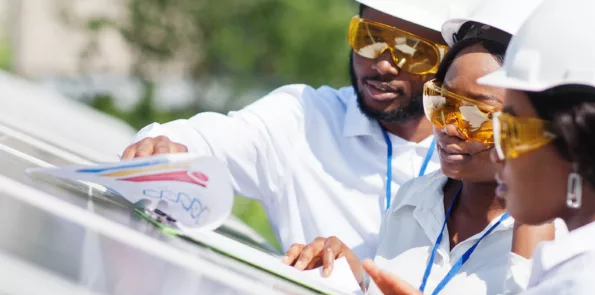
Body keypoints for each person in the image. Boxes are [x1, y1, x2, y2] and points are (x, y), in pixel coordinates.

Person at [372, 0, 595, 295]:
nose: (498, 152)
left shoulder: (584, 292)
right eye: (444, 102)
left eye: (508, 129)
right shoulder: (575, 272)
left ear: (573, 143)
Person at [119, 0, 477, 260]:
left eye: (413, 51)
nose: (383, 64)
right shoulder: (304, 118)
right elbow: (201, 139)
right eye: (369, 37)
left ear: (447, 64)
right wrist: (164, 147)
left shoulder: (476, 159)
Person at [284, 0, 554, 295]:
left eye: (476, 116)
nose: (450, 127)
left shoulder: (555, 238)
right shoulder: (415, 200)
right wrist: (352, 285)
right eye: (443, 103)